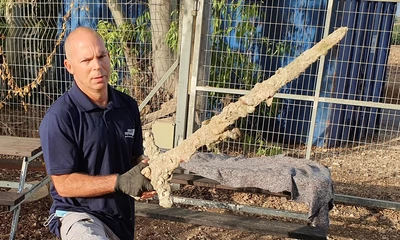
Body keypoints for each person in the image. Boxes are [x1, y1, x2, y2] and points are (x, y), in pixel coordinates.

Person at [39, 26, 156, 240]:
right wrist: (118, 182)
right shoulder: (60, 117)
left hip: (121, 219)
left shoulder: (127, 106)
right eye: (86, 60)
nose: (97, 66)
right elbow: (63, 184)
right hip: (79, 217)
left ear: (109, 57)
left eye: (101, 56)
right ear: (69, 66)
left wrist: (149, 171)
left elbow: (133, 158)